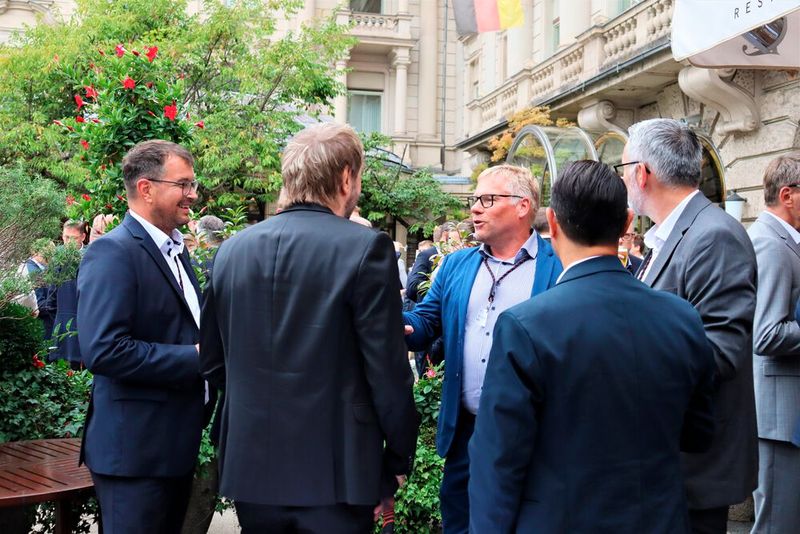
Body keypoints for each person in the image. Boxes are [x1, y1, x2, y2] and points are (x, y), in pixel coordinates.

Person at [469, 160, 716, 533]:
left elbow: (498, 462)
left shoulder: (527, 327)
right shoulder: (681, 318)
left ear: (552, 223)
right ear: (627, 222)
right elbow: (698, 433)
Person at [199, 123, 419, 533]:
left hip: (252, 466)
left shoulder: (231, 251)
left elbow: (212, 362)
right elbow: (388, 373)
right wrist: (397, 460)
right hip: (337, 470)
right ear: (346, 177)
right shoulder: (366, 247)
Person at [404, 164, 562, 534]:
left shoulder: (557, 266)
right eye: (474, 200)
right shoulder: (456, 265)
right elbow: (427, 321)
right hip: (465, 435)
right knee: (460, 522)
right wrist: (396, 322)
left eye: (487, 199)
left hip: (533, 435)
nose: (475, 208)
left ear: (523, 206)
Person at [620, 118, 758, 534]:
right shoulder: (677, 233)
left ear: (641, 174)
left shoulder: (714, 235)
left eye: (623, 168)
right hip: (665, 460)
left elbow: (720, 354)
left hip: (691, 465)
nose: (624, 180)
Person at [76, 140, 206, 533]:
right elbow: (104, 350)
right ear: (146, 188)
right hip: (134, 455)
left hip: (171, 448)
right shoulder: (113, 253)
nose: (193, 195)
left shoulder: (177, 253)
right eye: (183, 184)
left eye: (193, 184)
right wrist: (199, 357)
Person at [747, 153, 800, 534]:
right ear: (788, 195)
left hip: (785, 416)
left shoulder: (781, 241)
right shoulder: (771, 244)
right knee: (776, 526)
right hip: (779, 421)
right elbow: (766, 334)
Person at [50, 220, 87, 366]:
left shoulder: (91, 255)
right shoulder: (56, 256)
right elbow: (51, 292)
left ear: (83, 237)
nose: (69, 242)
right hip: (61, 316)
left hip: (83, 317)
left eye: (74, 238)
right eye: (66, 238)